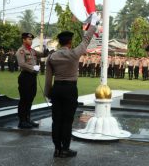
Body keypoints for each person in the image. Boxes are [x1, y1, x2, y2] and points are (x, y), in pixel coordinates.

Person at [44, 15, 97, 158]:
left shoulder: (52, 57)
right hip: (70, 89)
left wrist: (48, 93)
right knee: (67, 121)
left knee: (57, 120)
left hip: (57, 89)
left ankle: (57, 149)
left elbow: (48, 78)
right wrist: (93, 24)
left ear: (60, 42)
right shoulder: (74, 54)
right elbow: (86, 40)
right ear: (70, 42)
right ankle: (65, 149)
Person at [16, 32, 48, 129]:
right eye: (29, 39)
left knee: (30, 98)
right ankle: (22, 121)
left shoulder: (32, 51)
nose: (31, 41)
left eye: (31, 39)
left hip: (32, 78)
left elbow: (42, 54)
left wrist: (46, 47)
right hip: (25, 77)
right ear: (24, 40)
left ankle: (28, 119)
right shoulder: (21, 51)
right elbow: (22, 64)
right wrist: (33, 68)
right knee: (24, 99)